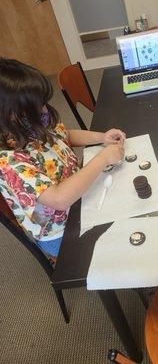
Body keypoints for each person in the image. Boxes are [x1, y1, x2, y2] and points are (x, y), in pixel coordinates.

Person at [0, 58, 125, 262]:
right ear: (11, 115)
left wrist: (101, 138)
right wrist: (102, 158)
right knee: (118, 238)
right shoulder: (10, 162)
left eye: (43, 102)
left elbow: (64, 135)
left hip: (78, 198)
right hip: (59, 231)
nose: (45, 110)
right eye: (37, 106)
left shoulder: (34, 122)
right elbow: (59, 199)